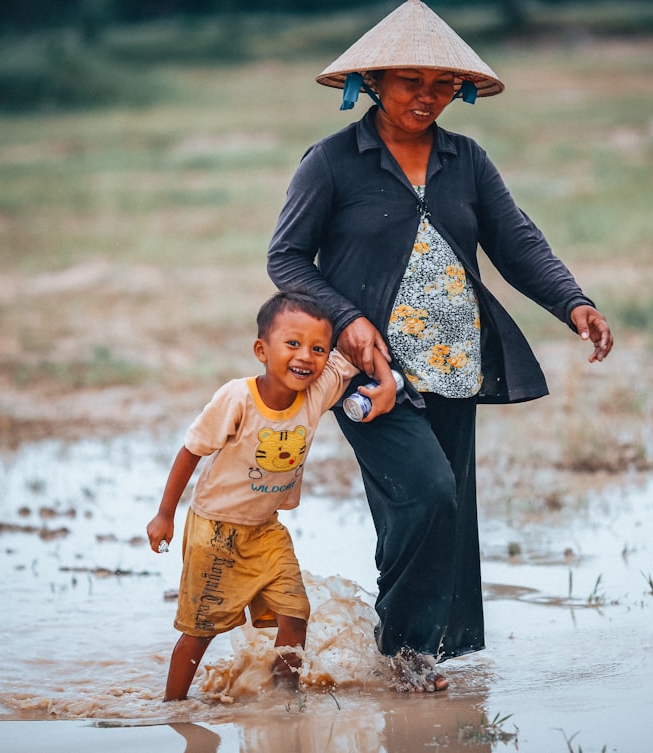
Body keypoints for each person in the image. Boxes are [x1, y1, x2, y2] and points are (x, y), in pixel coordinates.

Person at [267, 0, 613, 693]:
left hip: (457, 363)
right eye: (409, 81)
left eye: (441, 84)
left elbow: (517, 241)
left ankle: (409, 656)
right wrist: (345, 317)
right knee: (426, 495)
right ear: (374, 82)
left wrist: (572, 300)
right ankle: (403, 654)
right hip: (367, 371)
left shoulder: (467, 159)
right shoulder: (333, 163)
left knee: (439, 508)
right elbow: (287, 258)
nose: (426, 97)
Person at [145, 291, 362, 701]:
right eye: (293, 344)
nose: (306, 356)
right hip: (216, 532)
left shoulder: (316, 394)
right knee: (200, 631)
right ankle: (172, 708)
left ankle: (284, 698)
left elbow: (354, 349)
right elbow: (191, 450)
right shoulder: (237, 398)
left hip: (266, 530)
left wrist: (380, 366)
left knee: (296, 614)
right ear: (262, 350)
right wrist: (164, 515)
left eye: (318, 348)